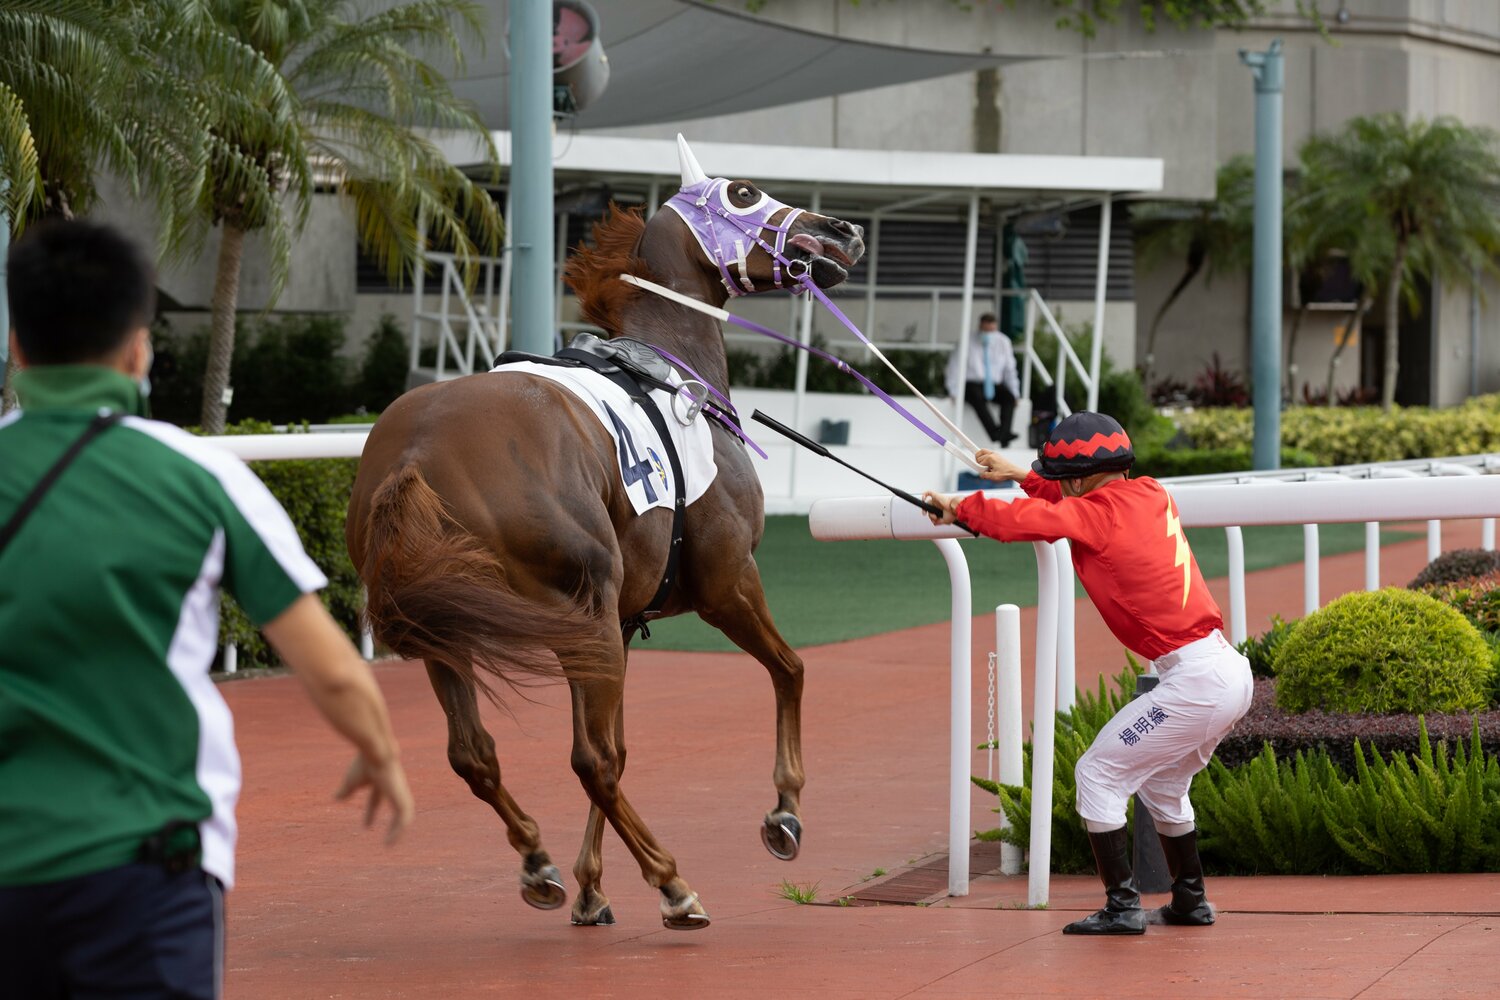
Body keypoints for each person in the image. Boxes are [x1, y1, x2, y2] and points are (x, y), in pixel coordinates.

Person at [0, 220, 415, 998]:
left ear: (17, 346)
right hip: (144, 875)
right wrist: (380, 752)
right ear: (137, 348)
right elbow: (331, 669)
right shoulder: (200, 481)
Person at [923, 411, 1253, 936]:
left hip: (1194, 682)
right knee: (1165, 787)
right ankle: (1191, 901)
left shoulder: (1094, 515)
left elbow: (1029, 522)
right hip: (1228, 671)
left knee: (1097, 773)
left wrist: (959, 506)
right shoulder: (1150, 493)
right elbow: (1073, 506)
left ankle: (1123, 907)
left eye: (1061, 480)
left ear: (1076, 479)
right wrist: (1021, 477)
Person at [945, 312, 1019, 447]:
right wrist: (954, 390)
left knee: (1008, 398)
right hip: (972, 384)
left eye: (991, 330)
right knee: (976, 397)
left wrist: (1015, 392)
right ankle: (994, 432)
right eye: (986, 330)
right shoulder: (967, 341)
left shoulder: (1003, 342)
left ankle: (1004, 435)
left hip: (994, 384)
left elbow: (1010, 369)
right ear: (980, 327)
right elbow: (954, 366)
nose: (988, 333)